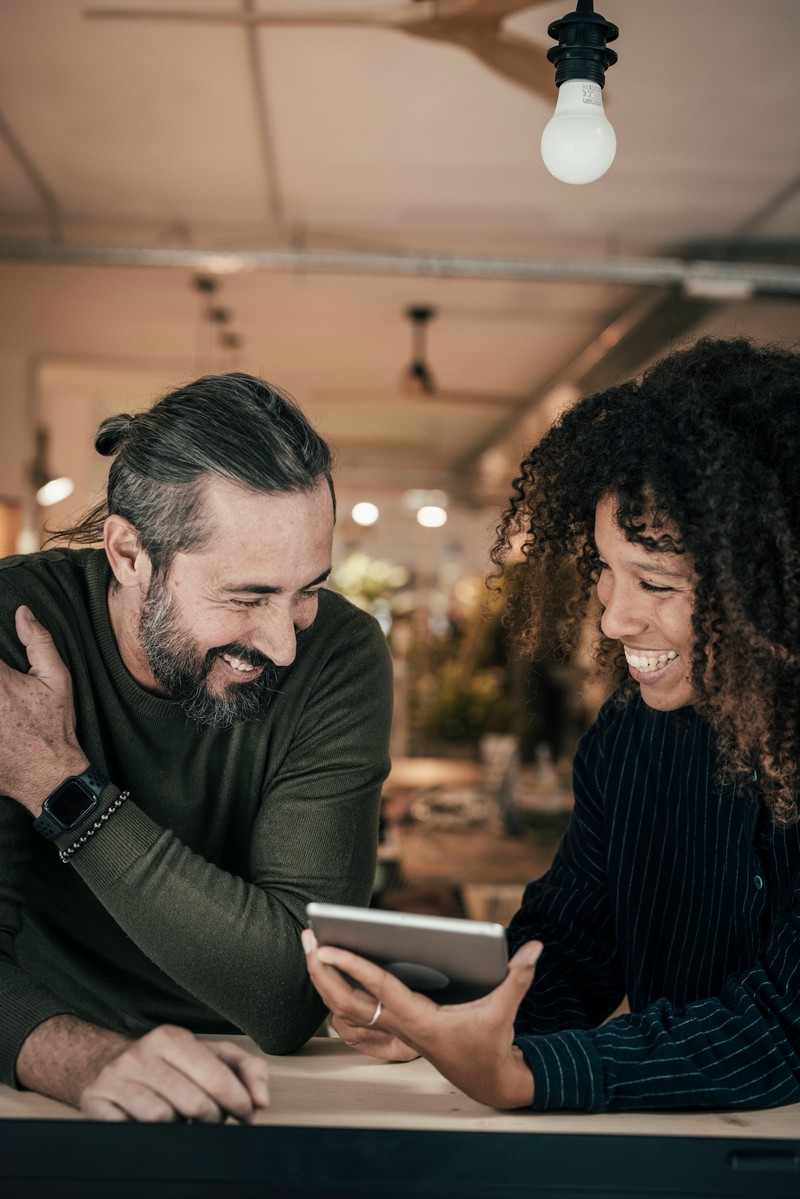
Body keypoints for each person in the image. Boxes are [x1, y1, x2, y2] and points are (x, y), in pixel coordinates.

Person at [304, 335, 800, 1113]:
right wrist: (449, 1021)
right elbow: (569, 944)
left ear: (772, 589)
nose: (614, 618)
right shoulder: (630, 736)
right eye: (606, 571)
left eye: (656, 581)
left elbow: (783, 1026)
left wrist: (530, 1074)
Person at [0, 373, 392, 1122]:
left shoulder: (338, 653)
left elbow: (287, 995)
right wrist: (87, 1059)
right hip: (42, 1078)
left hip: (274, 1089)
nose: (282, 644)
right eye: (246, 597)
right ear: (128, 553)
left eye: (306, 589)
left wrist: (61, 788)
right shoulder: (8, 629)